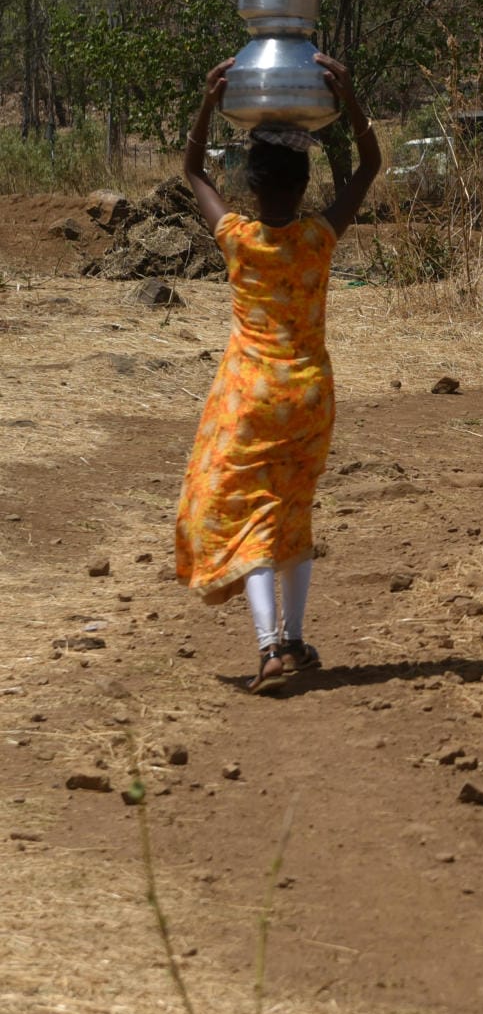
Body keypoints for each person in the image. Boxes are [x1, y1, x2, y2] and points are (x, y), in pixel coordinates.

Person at [176, 52, 382, 696]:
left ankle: (271, 648)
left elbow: (190, 170)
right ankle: (292, 639)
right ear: (303, 185)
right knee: (294, 511)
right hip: (311, 394)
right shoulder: (319, 238)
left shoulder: (237, 237)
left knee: (253, 516)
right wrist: (347, 97)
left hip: (251, 396)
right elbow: (372, 165)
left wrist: (210, 101)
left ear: (253, 184)